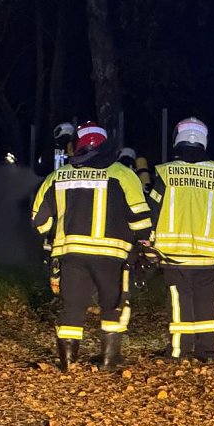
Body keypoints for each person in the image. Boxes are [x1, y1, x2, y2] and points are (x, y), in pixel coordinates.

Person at [31, 122, 152, 372]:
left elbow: (38, 220)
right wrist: (144, 241)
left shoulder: (58, 175)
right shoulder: (122, 174)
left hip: (70, 254)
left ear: (77, 145)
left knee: (72, 306)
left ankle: (67, 362)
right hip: (112, 255)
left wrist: (52, 236)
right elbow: (140, 217)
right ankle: (109, 360)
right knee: (113, 305)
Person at [147, 117, 214, 363]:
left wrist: (148, 241)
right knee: (205, 300)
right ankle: (207, 352)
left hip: (173, 252)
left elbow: (154, 208)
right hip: (207, 253)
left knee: (179, 300)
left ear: (178, 138)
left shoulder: (166, 172)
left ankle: (178, 350)